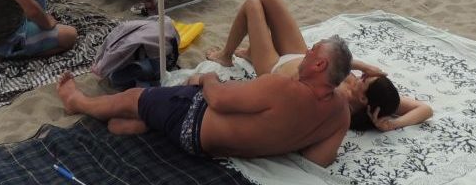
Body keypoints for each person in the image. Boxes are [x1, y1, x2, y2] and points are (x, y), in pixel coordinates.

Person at [56, 33, 353, 166]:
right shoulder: (341, 113)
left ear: (320, 65)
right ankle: (144, 124)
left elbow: (219, 101)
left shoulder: (284, 88)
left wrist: (208, 78)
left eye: (313, 50)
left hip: (193, 121)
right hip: (218, 145)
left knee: (136, 96)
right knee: (159, 104)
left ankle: (78, 103)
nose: (307, 52)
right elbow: (318, 160)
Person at [205, 0, 432, 132]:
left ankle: (226, 56)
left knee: (252, 4)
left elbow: (320, 71)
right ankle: (251, 52)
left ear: (363, 98)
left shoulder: (341, 101)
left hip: (276, 70)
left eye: (364, 79)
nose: (361, 76)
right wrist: (392, 124)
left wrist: (361, 66)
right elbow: (425, 109)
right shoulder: (380, 99)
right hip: (303, 58)